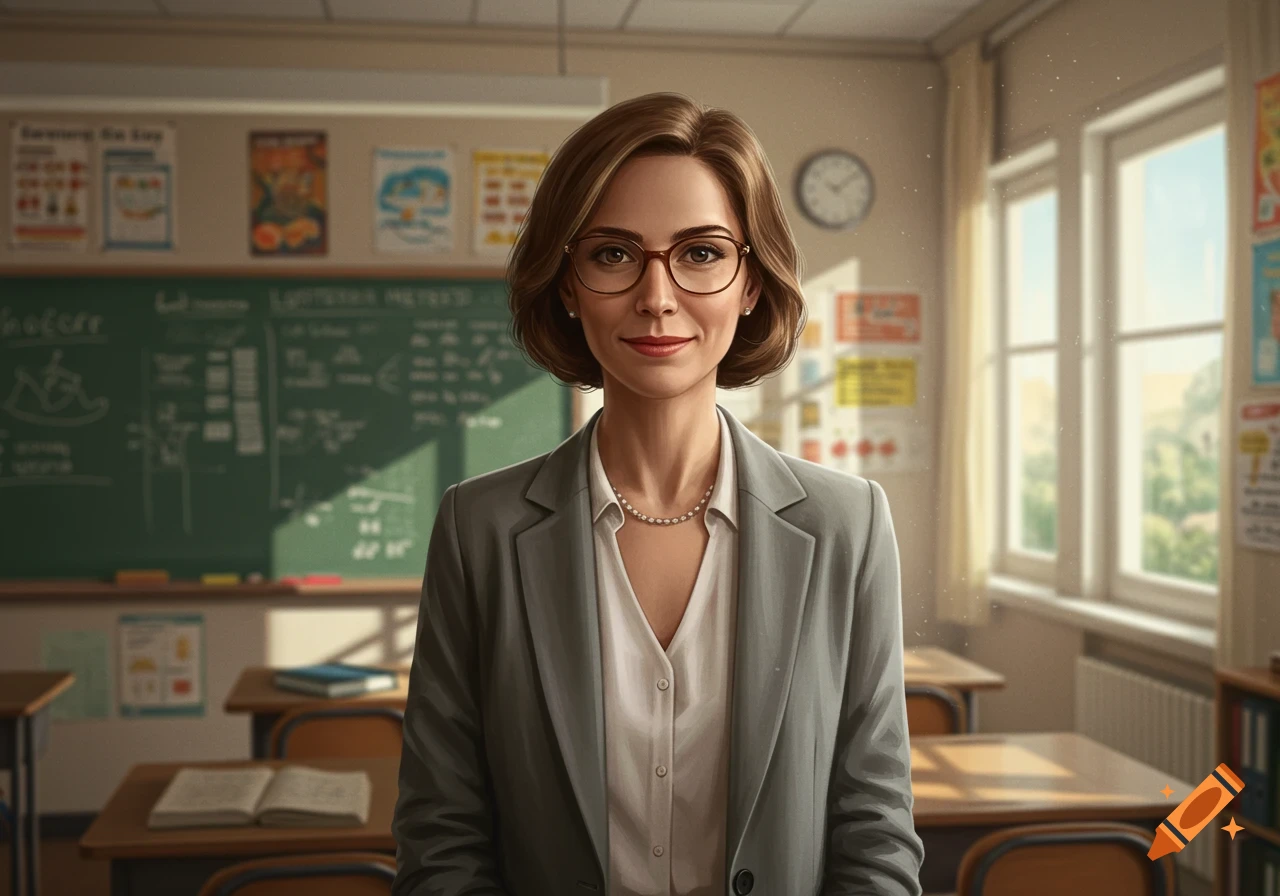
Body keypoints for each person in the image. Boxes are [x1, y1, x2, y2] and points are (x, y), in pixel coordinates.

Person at [392, 91, 924, 896]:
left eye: (702, 253)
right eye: (613, 254)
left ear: (751, 284)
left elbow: (875, 828)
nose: (658, 295)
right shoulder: (480, 529)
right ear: (567, 283)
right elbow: (443, 838)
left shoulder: (847, 523)